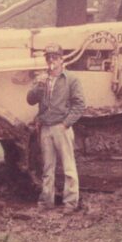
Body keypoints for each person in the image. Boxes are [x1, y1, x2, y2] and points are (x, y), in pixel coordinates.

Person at [27, 43, 86, 213]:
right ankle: (47, 201)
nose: (51, 60)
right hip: (46, 127)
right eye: (48, 57)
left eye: (55, 57)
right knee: (47, 167)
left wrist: (66, 123)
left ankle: (70, 202)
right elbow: (30, 100)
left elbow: (79, 104)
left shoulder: (71, 79)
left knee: (68, 166)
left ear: (61, 59)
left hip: (62, 127)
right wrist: (37, 87)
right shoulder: (42, 79)